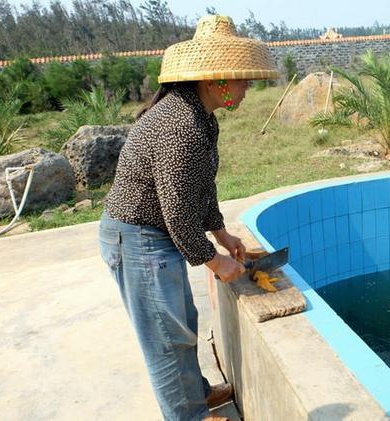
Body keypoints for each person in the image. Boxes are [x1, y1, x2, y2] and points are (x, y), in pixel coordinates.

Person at [98, 15, 279, 421]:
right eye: (243, 80)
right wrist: (215, 261)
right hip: (138, 237)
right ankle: (188, 416)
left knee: (181, 323)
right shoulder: (182, 125)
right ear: (217, 79)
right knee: (166, 336)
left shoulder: (200, 118)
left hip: (153, 233)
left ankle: (194, 393)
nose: (248, 88)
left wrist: (221, 233)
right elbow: (177, 213)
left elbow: (200, 188)